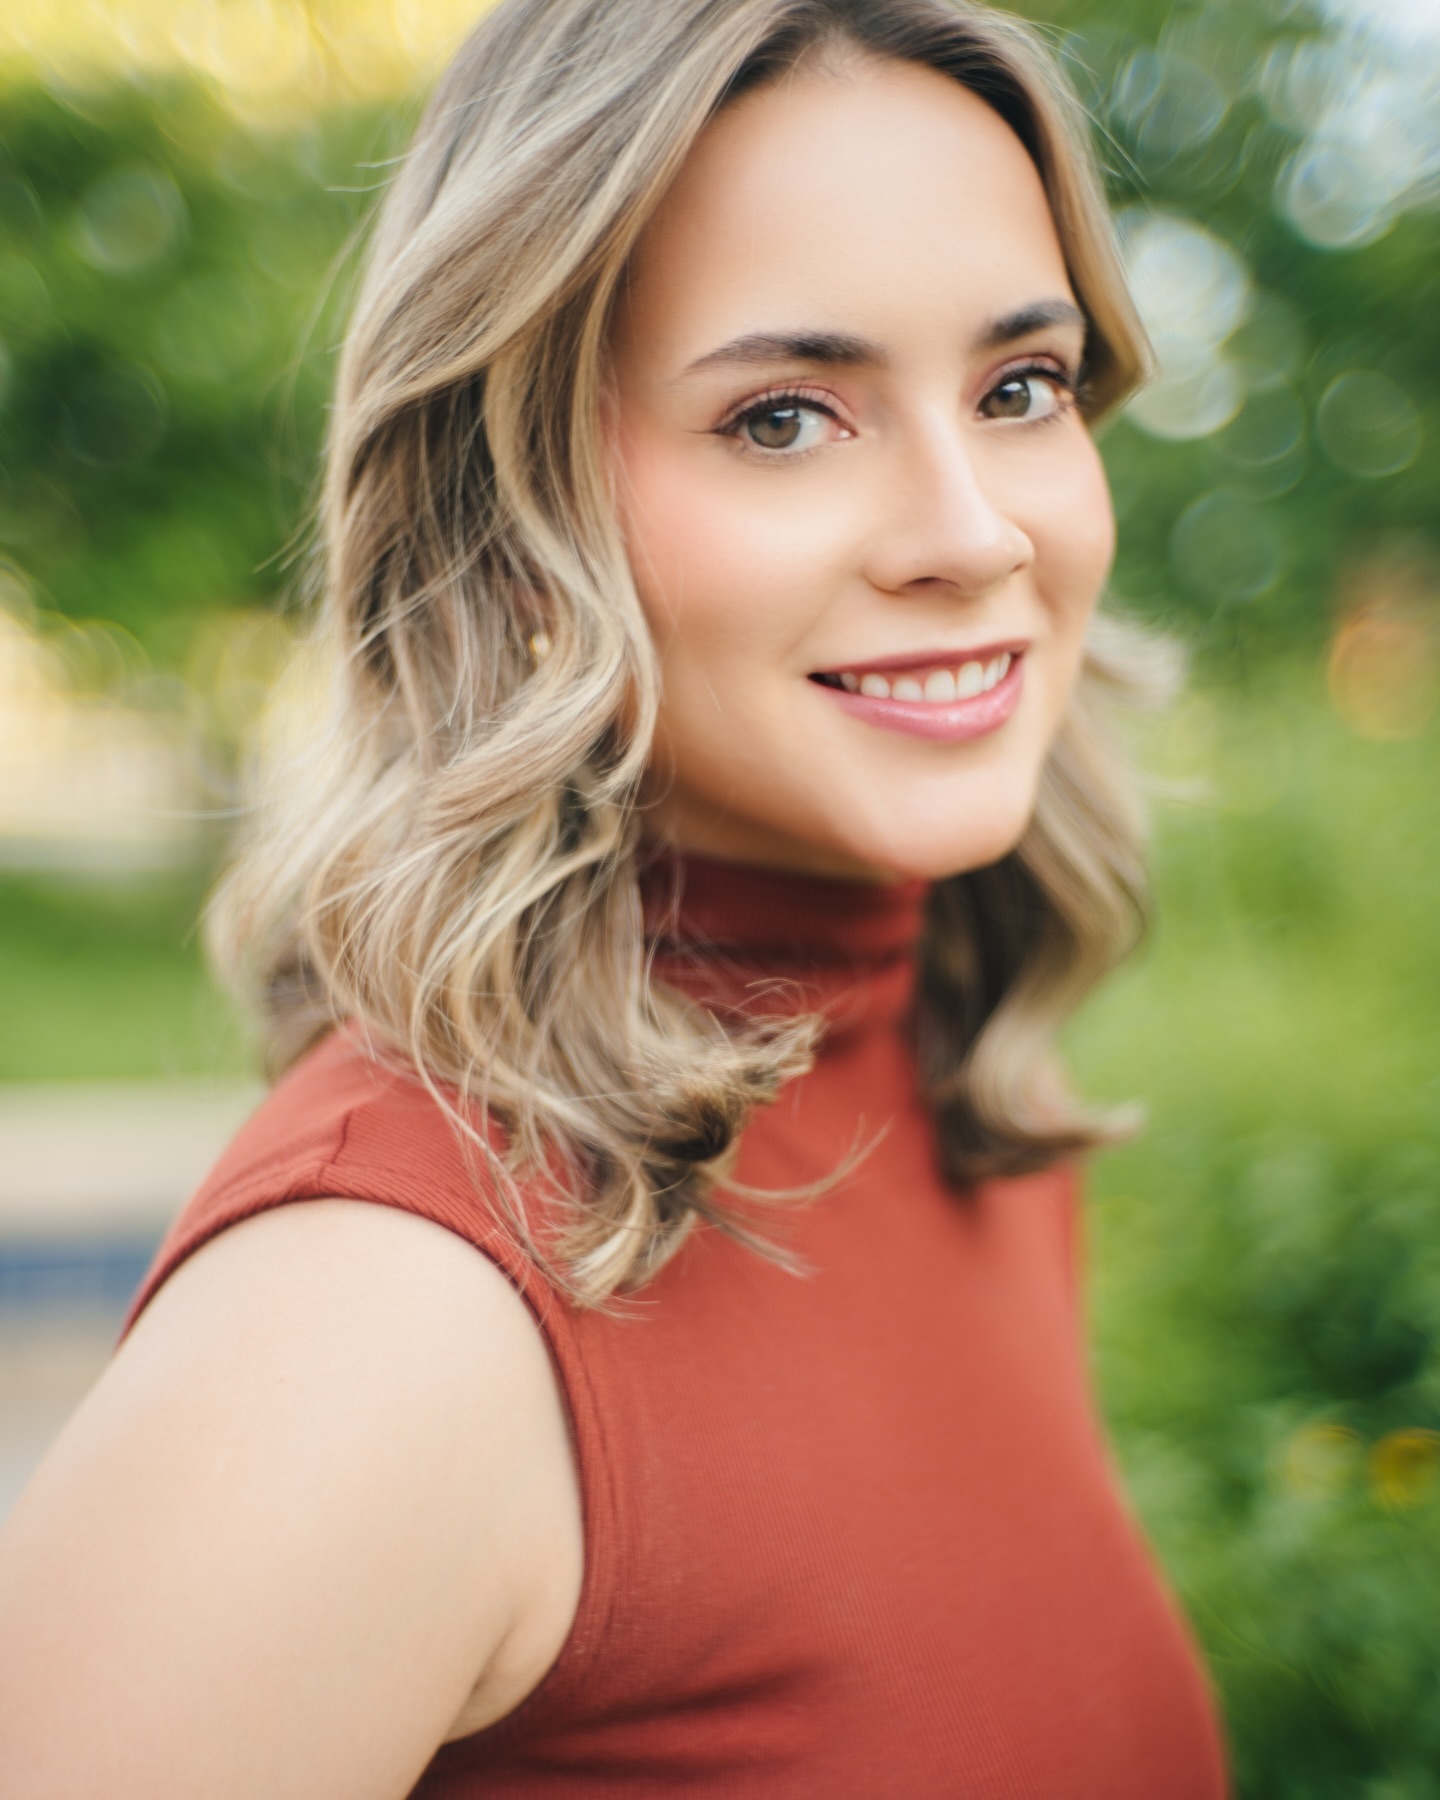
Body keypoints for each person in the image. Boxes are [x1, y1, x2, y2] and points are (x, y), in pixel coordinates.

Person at [0, 1, 1229, 1793]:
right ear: (511, 518)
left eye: (1019, 388)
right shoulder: (388, 1310)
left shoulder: (952, 1097)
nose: (974, 531)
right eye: (788, 416)